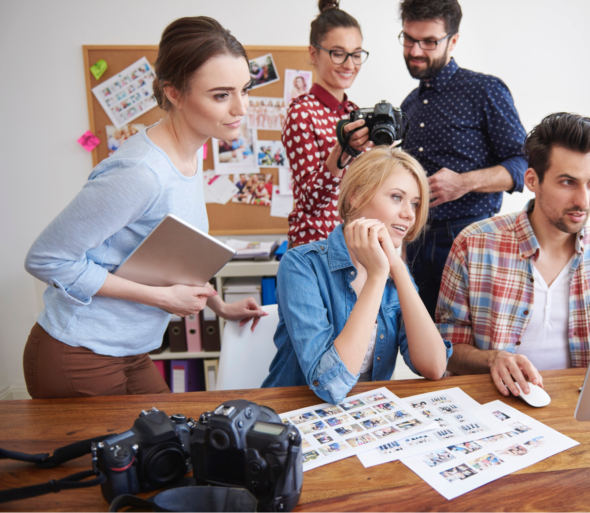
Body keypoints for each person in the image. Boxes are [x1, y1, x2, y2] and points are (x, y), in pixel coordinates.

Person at [23, 17, 267, 399]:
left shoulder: (193, 149)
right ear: (174, 93)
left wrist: (219, 306)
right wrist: (163, 299)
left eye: (245, 89)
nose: (241, 108)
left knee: (169, 451)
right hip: (79, 351)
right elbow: (47, 260)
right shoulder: (141, 173)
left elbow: (172, 251)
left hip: (131, 349)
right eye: (221, 95)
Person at [436, 113, 590, 397]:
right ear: (532, 180)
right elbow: (446, 349)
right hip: (499, 406)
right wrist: (493, 359)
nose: (583, 201)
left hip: (582, 405)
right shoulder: (474, 245)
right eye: (567, 182)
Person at [262, 147, 452, 404]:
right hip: (299, 413)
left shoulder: (395, 270)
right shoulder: (302, 264)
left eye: (415, 203)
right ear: (356, 195)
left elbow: (434, 366)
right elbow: (329, 386)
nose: (409, 214)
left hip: (365, 417)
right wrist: (376, 277)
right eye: (397, 197)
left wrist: (396, 267)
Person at [398, 0, 528, 319]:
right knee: (423, 350)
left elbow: (524, 164)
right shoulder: (409, 104)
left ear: (453, 40)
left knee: (470, 348)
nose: (415, 50)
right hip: (414, 241)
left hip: (469, 237)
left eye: (429, 41)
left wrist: (464, 182)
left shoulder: (484, 90)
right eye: (409, 38)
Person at [282, 0, 374, 246]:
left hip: (353, 245)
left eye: (356, 54)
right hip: (316, 248)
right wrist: (343, 150)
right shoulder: (302, 112)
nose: (350, 64)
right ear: (314, 53)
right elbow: (311, 202)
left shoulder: (354, 112)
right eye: (338, 53)